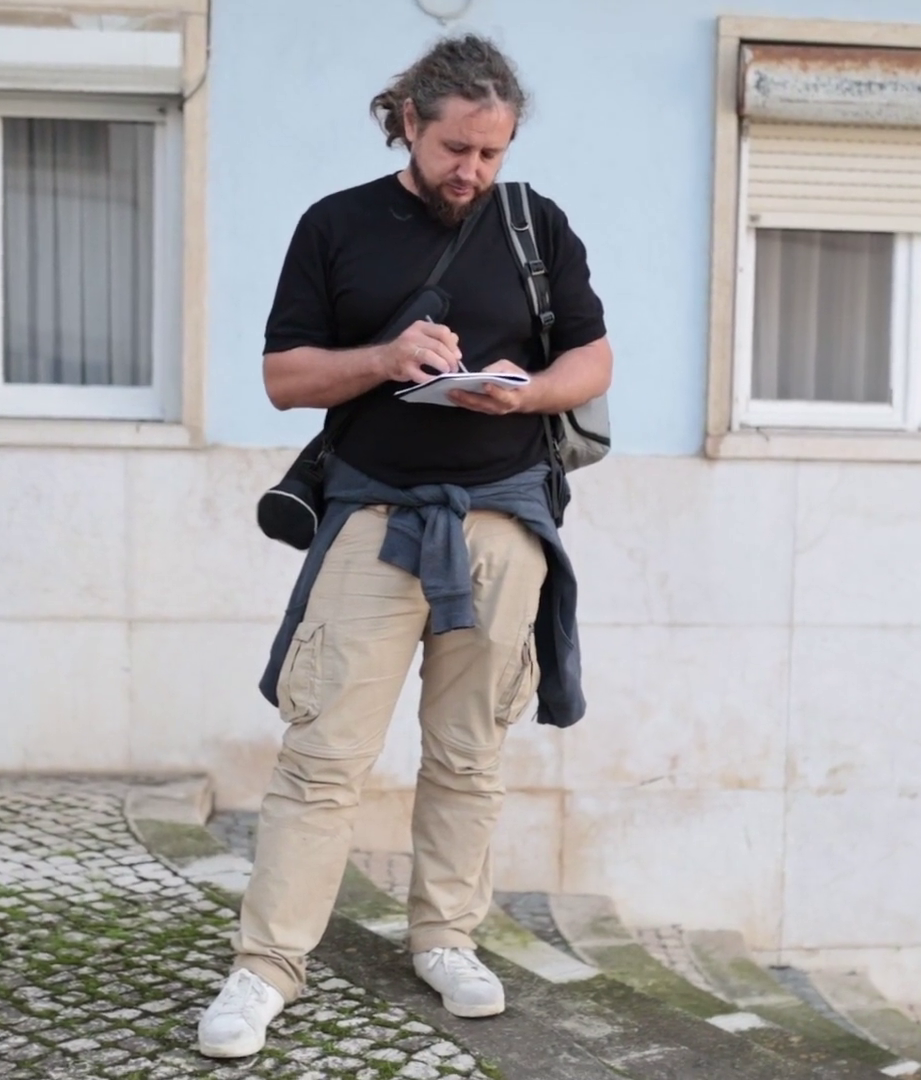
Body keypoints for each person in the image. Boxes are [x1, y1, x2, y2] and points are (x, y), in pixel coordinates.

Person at [196, 33, 612, 1059]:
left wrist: (524, 391)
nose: (472, 170)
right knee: (321, 757)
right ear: (411, 123)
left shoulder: (537, 225)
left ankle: (446, 939)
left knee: (470, 757)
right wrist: (386, 358)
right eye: (454, 148)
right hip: (375, 517)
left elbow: (593, 358)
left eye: (491, 152)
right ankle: (266, 968)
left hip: (503, 522)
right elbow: (285, 378)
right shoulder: (336, 224)